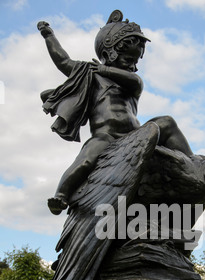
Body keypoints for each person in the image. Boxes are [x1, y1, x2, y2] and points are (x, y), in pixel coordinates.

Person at [38, 10, 193, 215]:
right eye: (128, 60)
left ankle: (192, 162)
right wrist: (49, 36)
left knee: (167, 122)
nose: (133, 66)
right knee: (86, 159)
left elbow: (134, 81)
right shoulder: (89, 75)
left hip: (135, 135)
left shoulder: (129, 81)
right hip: (105, 135)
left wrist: (103, 70)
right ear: (110, 53)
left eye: (135, 61)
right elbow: (63, 61)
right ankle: (61, 196)